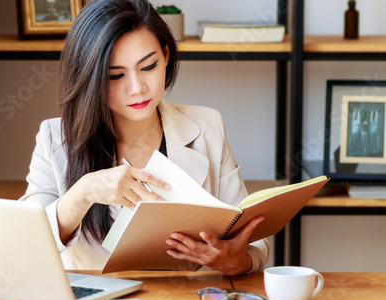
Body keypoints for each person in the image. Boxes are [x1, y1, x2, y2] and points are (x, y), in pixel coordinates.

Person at [20, 0, 269, 276]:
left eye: (148, 67)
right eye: (115, 76)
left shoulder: (207, 126)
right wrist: (84, 192)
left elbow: (252, 241)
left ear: (165, 56)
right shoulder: (55, 139)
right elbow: (27, 244)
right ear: (89, 77)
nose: (137, 88)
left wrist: (236, 261)